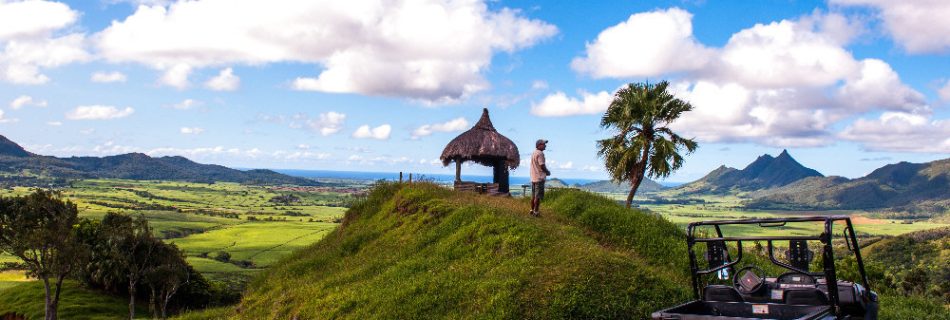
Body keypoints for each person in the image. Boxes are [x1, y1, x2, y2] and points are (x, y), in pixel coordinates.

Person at [530, 139, 551, 217]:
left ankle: (532, 210)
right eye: (544, 144)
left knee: (533, 196)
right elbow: (542, 165)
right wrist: (547, 172)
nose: (545, 145)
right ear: (539, 145)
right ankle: (536, 212)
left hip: (533, 177)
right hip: (539, 178)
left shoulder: (533, 153)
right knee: (538, 197)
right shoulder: (540, 153)